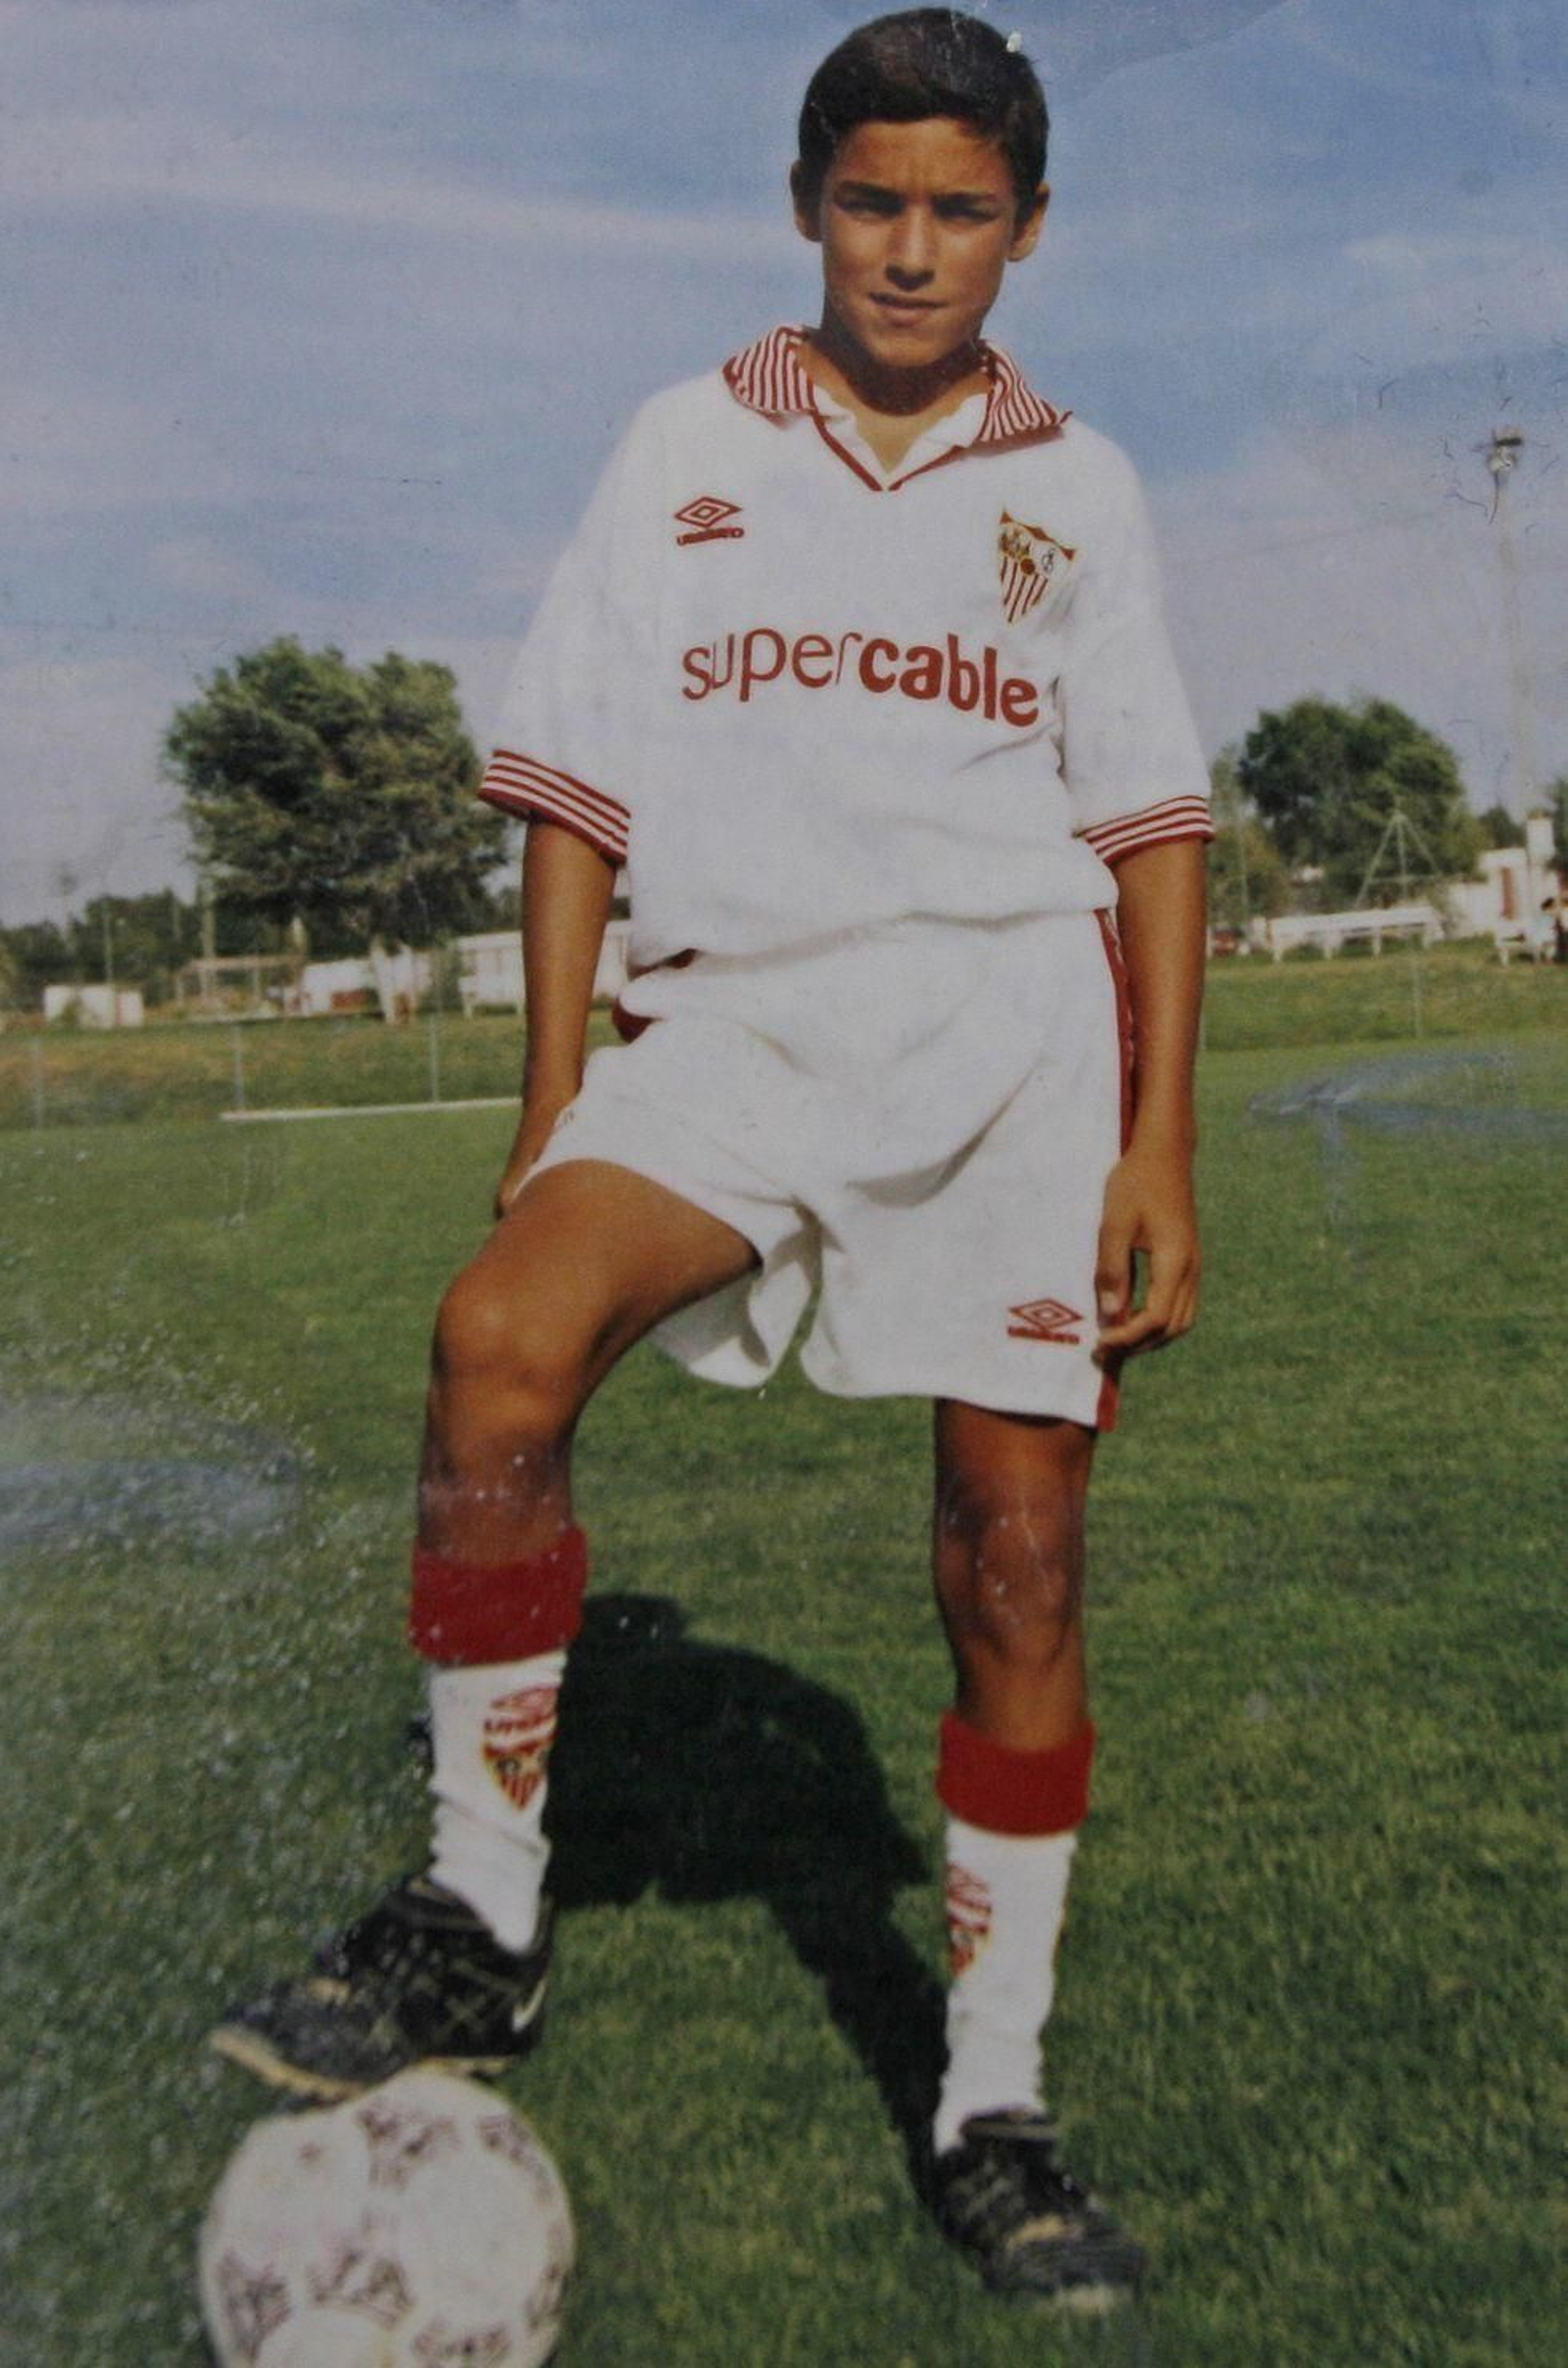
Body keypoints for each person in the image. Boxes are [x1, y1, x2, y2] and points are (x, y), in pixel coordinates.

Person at [212, 9, 1211, 2307]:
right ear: (804, 206)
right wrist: (553, 1091)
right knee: (495, 1343)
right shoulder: (683, 444)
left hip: (1007, 1040)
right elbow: (572, 790)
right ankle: (479, 1916)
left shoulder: (1084, 488)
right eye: (872, 201)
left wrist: (1159, 1135)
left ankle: (991, 2097)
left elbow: (1149, 828)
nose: (910, 251)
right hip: (735, 1014)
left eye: (961, 211)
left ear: (1026, 229)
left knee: (1014, 1558)